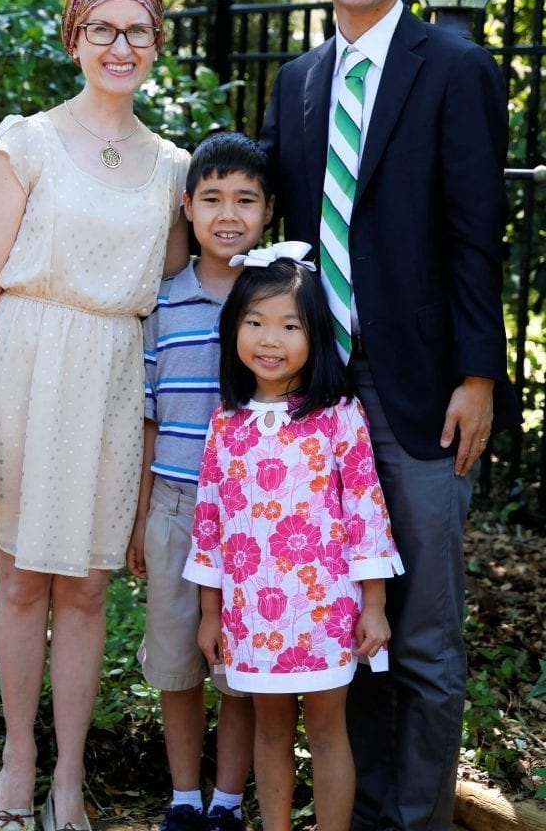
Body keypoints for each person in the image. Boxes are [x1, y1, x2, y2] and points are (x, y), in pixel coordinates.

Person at [258, 0, 522, 831]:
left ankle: (418, 820)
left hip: (423, 395)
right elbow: (275, 228)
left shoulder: (455, 68)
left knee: (423, 636)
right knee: (346, 624)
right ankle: (364, 814)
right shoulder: (298, 81)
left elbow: (475, 236)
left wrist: (478, 375)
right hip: (320, 399)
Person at [0, 0, 191, 831]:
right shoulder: (29, 143)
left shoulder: (173, 168)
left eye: (138, 30)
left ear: (157, 43)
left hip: (113, 390)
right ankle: (17, 765)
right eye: (102, 29)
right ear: (75, 38)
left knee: (87, 589)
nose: (120, 46)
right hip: (25, 378)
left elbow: (171, 302)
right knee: (20, 582)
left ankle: (67, 780)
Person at [183, 244, 404, 831]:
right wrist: (210, 613)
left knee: (328, 731)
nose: (270, 340)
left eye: (289, 325)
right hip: (251, 615)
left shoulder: (338, 415)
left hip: (325, 612)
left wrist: (374, 605)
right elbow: (210, 524)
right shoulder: (226, 423)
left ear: (316, 335)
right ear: (234, 329)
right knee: (271, 729)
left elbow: (366, 511)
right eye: (255, 322)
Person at [126, 131, 275, 831]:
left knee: (238, 673)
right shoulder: (162, 304)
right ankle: (185, 797)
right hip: (177, 508)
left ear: (268, 211)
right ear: (186, 207)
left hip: (255, 518)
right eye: (212, 198)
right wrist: (140, 519)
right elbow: (149, 420)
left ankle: (228, 802)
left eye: (245, 200)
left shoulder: (276, 302)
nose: (228, 215)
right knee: (177, 664)